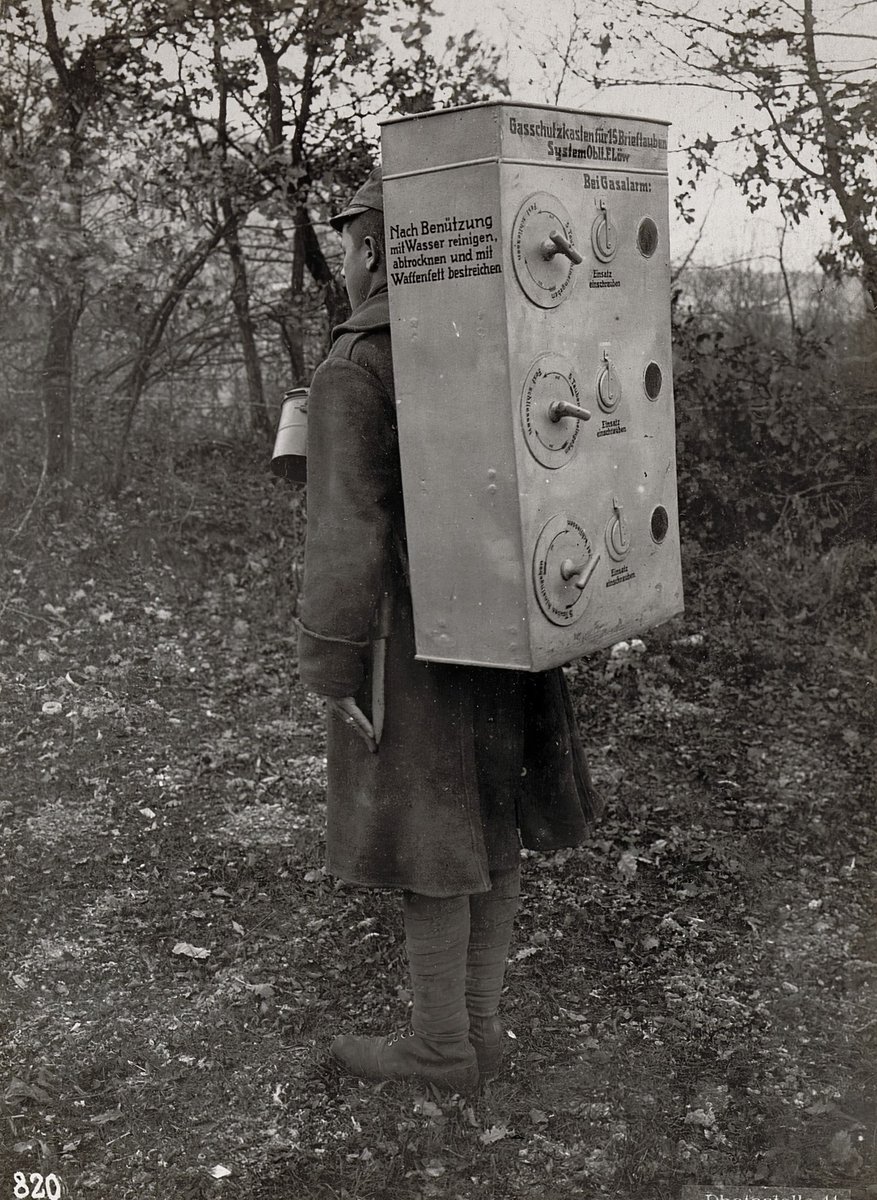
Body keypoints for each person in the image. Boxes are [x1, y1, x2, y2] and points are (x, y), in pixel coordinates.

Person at [296, 164, 603, 1094]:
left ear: (377, 248)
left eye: (350, 247)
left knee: (431, 839)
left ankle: (439, 1048)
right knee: (489, 819)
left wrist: (333, 663)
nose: (346, 267)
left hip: (411, 643)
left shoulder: (354, 364)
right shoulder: (495, 338)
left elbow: (347, 531)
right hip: (506, 625)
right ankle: (479, 1027)